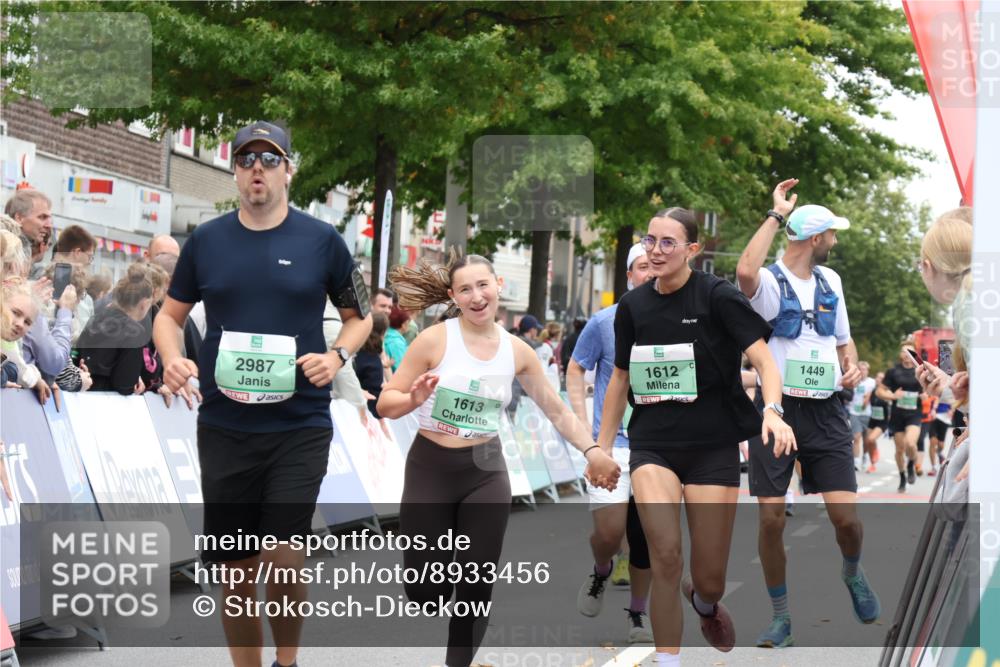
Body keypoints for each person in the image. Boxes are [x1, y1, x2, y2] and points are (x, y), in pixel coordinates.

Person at [154, 120, 371, 667]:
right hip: (226, 426)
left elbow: (360, 319)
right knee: (234, 569)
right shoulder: (205, 241)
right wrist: (174, 358)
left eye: (269, 159)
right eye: (247, 158)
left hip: (298, 423)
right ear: (235, 171)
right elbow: (168, 317)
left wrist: (336, 356)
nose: (257, 168)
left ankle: (287, 661)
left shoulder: (322, 241)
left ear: (288, 170)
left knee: (283, 556)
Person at [377, 252, 620, 667]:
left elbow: (557, 410)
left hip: (485, 470)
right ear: (453, 296)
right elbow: (386, 403)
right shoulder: (435, 340)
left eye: (483, 285)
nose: (476, 296)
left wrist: (593, 450)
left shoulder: (518, 350)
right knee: (426, 593)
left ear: (498, 287)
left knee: (475, 584)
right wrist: (413, 398)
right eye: (466, 289)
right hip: (430, 468)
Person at [598, 207, 795, 665]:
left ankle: (704, 602)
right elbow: (620, 380)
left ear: (692, 249)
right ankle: (669, 660)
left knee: (709, 578)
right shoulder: (633, 307)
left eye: (668, 243)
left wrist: (772, 411)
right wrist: (601, 450)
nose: (656, 251)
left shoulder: (718, 296)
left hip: (713, 448)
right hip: (653, 447)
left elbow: (765, 362)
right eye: (650, 241)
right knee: (666, 556)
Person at [736, 179, 879, 649]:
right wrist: (775, 216)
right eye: (832, 234)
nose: (836, 241)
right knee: (772, 519)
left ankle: (853, 573)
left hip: (827, 410)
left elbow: (843, 342)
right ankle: (781, 618)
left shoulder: (830, 282)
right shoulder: (770, 283)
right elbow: (744, 269)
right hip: (777, 413)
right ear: (816, 239)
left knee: (847, 520)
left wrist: (853, 367)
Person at [567, 243, 654, 644]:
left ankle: (637, 613)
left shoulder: (677, 320)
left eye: (655, 266)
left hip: (657, 445)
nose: (649, 273)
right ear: (629, 276)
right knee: (609, 531)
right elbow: (576, 367)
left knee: (646, 535)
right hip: (611, 442)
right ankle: (602, 568)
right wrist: (584, 429)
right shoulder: (605, 321)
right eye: (641, 267)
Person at [76, 264, 154, 395]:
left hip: (81, 394)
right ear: (144, 303)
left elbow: (76, 356)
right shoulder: (135, 332)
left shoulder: (95, 319)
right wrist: (134, 381)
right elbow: (124, 384)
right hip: (108, 402)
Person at [876, 343, 924, 492]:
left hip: (914, 414)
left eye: (910, 351)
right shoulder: (893, 371)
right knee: (899, 449)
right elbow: (880, 391)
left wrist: (927, 394)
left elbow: (932, 389)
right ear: (900, 354)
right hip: (897, 415)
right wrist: (892, 396)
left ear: (915, 353)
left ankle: (911, 465)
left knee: (911, 443)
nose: (906, 353)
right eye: (904, 351)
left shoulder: (921, 371)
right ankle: (902, 476)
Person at [353, 312, 389, 418]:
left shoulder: (355, 352)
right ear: (383, 333)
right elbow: (375, 399)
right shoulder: (373, 361)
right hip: (363, 416)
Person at [4, 189, 53, 266]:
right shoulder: (5, 251)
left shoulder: (23, 249)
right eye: (42, 217)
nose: (49, 225)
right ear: (19, 218)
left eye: (49, 218)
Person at [847, 361, 876, 471]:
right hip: (854, 412)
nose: (862, 371)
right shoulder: (853, 381)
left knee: (867, 440)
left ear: (867, 371)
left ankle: (865, 457)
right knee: (856, 437)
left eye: (864, 369)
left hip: (868, 413)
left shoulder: (872, 383)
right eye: (860, 369)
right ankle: (856, 461)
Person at [864, 371, 890, 473]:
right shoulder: (872, 391)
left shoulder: (887, 392)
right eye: (878, 377)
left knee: (871, 439)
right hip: (873, 419)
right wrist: (865, 400)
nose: (879, 380)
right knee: (868, 441)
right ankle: (872, 464)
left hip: (883, 421)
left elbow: (893, 404)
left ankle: (875, 451)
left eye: (881, 378)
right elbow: (865, 403)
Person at [384, 305, 411, 371]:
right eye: (408, 322)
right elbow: (400, 369)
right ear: (403, 324)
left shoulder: (386, 335)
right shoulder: (396, 343)